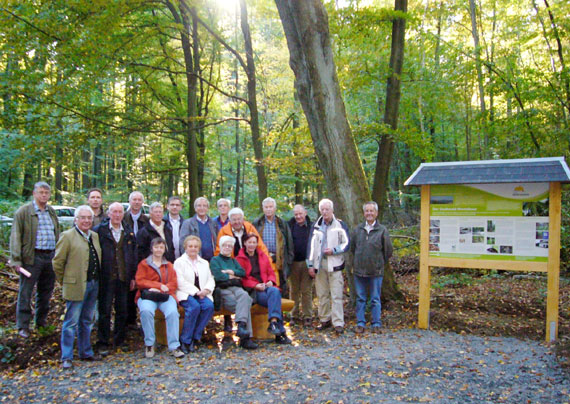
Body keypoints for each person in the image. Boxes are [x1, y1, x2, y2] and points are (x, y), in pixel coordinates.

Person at [52, 205, 102, 369]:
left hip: (93, 283)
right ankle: (66, 356)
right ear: (76, 219)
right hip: (75, 285)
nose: (87, 221)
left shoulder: (94, 236)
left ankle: (85, 352)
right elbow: (58, 263)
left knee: (87, 320)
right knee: (70, 322)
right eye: (83, 218)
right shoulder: (67, 236)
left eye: (89, 218)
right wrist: (66, 281)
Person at [10, 181, 60, 339]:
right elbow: (16, 236)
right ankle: (23, 325)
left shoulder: (51, 211)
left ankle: (41, 322)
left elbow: (57, 232)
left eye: (46, 192)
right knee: (26, 292)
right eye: (41, 192)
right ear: (34, 193)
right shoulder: (24, 212)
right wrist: (16, 259)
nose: (44, 195)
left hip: (50, 257)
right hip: (32, 257)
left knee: (45, 291)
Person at [93, 202, 137, 355]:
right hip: (106, 277)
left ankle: (120, 340)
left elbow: (133, 256)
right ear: (109, 214)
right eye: (114, 212)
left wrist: (132, 277)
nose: (117, 215)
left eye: (120, 212)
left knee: (122, 310)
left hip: (123, 277)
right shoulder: (100, 231)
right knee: (104, 310)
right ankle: (103, 342)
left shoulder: (129, 232)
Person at [236, 233, 291, 344]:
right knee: (275, 300)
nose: (252, 245)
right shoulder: (239, 259)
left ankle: (274, 323)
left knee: (274, 291)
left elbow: (270, 272)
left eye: (254, 242)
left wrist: (270, 281)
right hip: (253, 291)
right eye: (249, 242)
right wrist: (255, 285)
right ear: (245, 243)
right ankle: (280, 333)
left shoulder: (262, 255)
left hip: (266, 287)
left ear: (257, 243)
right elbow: (242, 279)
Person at [135, 237, 184, 359]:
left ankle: (174, 345)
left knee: (173, 312)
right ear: (152, 248)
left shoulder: (169, 265)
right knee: (146, 311)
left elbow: (173, 283)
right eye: (156, 247)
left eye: (161, 247)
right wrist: (157, 286)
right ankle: (149, 344)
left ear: (164, 249)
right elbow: (140, 281)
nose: (158, 250)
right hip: (148, 296)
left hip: (165, 296)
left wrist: (162, 288)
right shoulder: (144, 264)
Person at [307, 199, 350, 334]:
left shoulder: (340, 225)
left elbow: (347, 243)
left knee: (336, 295)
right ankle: (324, 320)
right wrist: (310, 265)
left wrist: (334, 250)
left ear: (332, 210)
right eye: (322, 210)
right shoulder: (316, 226)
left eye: (327, 209)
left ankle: (338, 323)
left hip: (335, 264)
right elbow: (310, 247)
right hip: (319, 265)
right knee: (322, 294)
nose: (325, 212)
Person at [350, 201, 393, 334]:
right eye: (367, 211)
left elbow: (388, 251)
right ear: (364, 213)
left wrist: (378, 262)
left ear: (376, 213)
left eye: (371, 211)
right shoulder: (357, 230)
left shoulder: (382, 230)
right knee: (361, 298)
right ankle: (361, 323)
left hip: (376, 271)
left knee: (375, 298)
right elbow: (353, 248)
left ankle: (376, 323)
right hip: (359, 271)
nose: (369, 213)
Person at [210, 236, 257, 350]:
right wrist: (232, 276)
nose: (227, 248)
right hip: (223, 289)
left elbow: (242, 272)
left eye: (230, 246)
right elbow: (218, 276)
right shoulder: (215, 260)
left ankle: (241, 327)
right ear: (220, 246)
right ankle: (246, 338)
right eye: (225, 245)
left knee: (245, 296)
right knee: (245, 304)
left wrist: (231, 272)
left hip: (236, 288)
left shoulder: (233, 261)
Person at [173, 236, 215, 354]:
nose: (193, 249)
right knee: (194, 307)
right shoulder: (179, 262)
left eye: (195, 246)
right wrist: (196, 291)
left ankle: (195, 337)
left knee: (208, 306)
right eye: (190, 246)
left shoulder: (204, 263)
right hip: (185, 293)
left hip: (202, 293)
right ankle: (185, 340)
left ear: (199, 248)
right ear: (185, 247)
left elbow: (210, 279)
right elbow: (180, 282)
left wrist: (206, 290)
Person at [252, 197, 294, 295]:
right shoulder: (257, 223)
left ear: (275, 208)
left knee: (280, 288)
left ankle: (279, 310)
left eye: (271, 207)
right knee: (264, 288)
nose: (268, 209)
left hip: (279, 261)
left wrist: (289, 262)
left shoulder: (282, 224)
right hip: (262, 261)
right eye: (266, 207)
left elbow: (289, 244)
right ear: (263, 209)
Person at [123, 190, 149, 327]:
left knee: (142, 287)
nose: (137, 202)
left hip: (142, 258)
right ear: (130, 201)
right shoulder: (123, 218)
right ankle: (129, 320)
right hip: (126, 258)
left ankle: (144, 319)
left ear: (142, 202)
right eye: (134, 199)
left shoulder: (146, 220)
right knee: (128, 288)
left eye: (139, 200)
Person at [287, 204, 313, 327]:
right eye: (296, 214)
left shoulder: (312, 227)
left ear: (305, 213)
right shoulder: (289, 226)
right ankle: (294, 314)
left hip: (308, 262)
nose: (298, 216)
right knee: (294, 290)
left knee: (306, 290)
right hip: (293, 262)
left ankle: (308, 316)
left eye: (300, 214)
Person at [179, 197, 218, 262]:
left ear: (208, 208)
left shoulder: (213, 223)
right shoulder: (188, 223)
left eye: (204, 206)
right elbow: (183, 243)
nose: (202, 208)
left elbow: (216, 241)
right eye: (199, 206)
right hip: (195, 260)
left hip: (212, 259)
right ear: (195, 208)